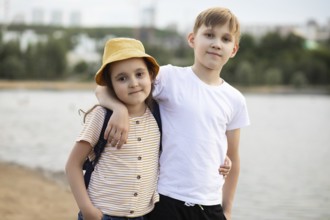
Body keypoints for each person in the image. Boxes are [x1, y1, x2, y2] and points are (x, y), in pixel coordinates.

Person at [96, 7, 249, 220]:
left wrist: (228, 210)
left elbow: (233, 157)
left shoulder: (235, 99)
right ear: (192, 39)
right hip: (166, 198)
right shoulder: (170, 78)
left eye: (225, 39)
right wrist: (119, 109)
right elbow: (102, 89)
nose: (216, 43)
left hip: (210, 204)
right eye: (209, 35)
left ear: (233, 49)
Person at [65, 37, 162, 220]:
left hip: (144, 215)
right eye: (122, 78)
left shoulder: (158, 114)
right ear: (111, 85)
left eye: (139, 74)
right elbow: (72, 165)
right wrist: (88, 210)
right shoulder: (102, 115)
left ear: (150, 75)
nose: (133, 83)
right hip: (104, 213)